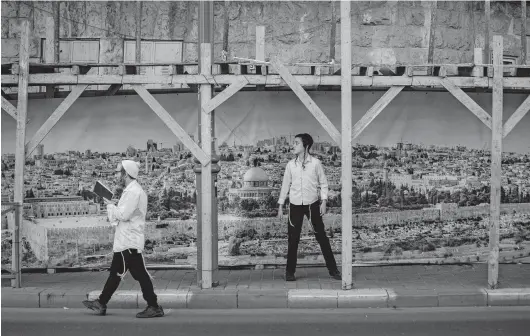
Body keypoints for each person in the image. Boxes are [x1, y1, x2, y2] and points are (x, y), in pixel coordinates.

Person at [83, 160, 164, 318]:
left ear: (126, 174)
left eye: (118, 172)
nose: (116, 174)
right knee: (117, 273)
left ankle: (153, 306)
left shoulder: (133, 192)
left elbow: (123, 215)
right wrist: (113, 205)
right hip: (126, 242)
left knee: (138, 275)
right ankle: (101, 303)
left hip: (129, 242)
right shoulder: (131, 191)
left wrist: (109, 204)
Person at [278, 133, 341, 281]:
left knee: (322, 237)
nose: (293, 145)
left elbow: (323, 183)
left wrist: (324, 201)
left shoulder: (316, 163)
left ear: (306, 146)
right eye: (293, 143)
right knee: (293, 239)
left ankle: (333, 270)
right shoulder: (290, 165)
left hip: (312, 205)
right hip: (294, 206)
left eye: (296, 143)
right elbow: (285, 185)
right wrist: (280, 205)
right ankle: (290, 272)